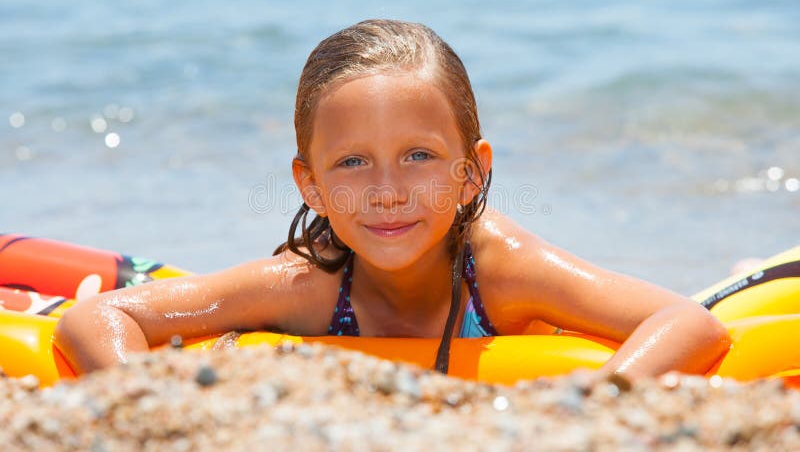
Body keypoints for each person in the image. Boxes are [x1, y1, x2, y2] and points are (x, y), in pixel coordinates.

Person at [54, 19, 730, 380]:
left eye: (419, 156)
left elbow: (690, 323)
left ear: (472, 173)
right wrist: (143, 400)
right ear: (309, 184)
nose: (386, 192)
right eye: (351, 163)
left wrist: (604, 402)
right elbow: (97, 321)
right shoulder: (312, 282)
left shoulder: (502, 269)